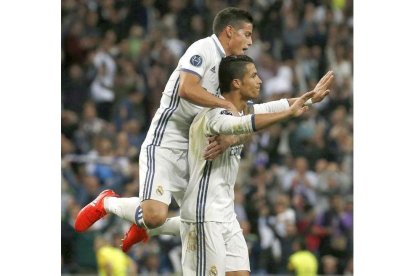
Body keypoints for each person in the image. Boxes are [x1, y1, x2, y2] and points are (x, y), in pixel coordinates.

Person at [75, 7, 256, 251]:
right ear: (229, 31)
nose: (250, 41)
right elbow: (187, 88)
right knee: (154, 215)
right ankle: (107, 202)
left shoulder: (228, 65)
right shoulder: (203, 49)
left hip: (194, 148)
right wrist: (225, 104)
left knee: (204, 220)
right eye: (246, 34)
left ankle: (146, 225)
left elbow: (241, 110)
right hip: (166, 140)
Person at [179, 55, 333, 276]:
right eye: (253, 75)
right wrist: (288, 114)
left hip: (226, 213)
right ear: (236, 83)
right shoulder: (215, 113)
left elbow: (276, 106)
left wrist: (310, 98)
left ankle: (158, 224)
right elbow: (245, 125)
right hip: (204, 212)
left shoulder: (244, 109)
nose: (260, 80)